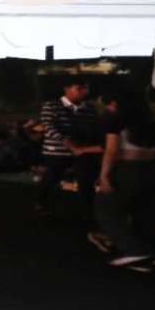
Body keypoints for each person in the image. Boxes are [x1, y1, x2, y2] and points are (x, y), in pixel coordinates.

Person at [94, 90, 155, 271]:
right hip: (153, 170)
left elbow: (111, 151)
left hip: (127, 169)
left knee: (107, 211)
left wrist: (104, 175)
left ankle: (134, 251)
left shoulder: (117, 121)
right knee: (145, 216)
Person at [36, 77, 103, 225]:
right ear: (67, 89)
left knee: (85, 179)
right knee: (52, 176)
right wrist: (66, 142)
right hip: (57, 150)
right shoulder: (52, 106)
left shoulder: (89, 109)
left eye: (85, 88)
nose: (83, 92)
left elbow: (95, 128)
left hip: (81, 150)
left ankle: (87, 210)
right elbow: (49, 126)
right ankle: (41, 200)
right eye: (79, 88)